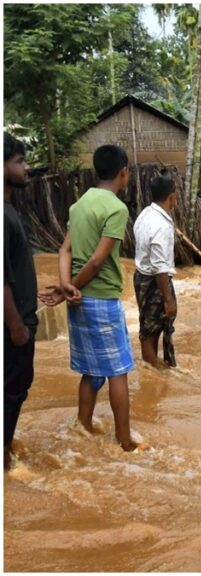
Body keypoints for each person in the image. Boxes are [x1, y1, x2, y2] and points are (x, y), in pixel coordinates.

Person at [57, 144, 137, 451]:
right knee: (118, 371)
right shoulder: (116, 208)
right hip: (101, 299)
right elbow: (96, 261)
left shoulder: (79, 205)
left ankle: (84, 428)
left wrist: (66, 287)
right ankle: (124, 441)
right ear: (123, 172)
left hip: (78, 302)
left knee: (90, 370)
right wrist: (72, 288)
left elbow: (64, 250)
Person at [4, 133, 62, 470]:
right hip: (13, 329)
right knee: (11, 393)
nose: (27, 168)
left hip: (19, 322)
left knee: (14, 391)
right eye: (20, 161)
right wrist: (16, 327)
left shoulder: (10, 210)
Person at [133, 173, 178, 368]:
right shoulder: (161, 224)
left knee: (149, 327)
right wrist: (168, 300)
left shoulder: (145, 215)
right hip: (155, 281)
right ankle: (153, 370)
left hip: (142, 277)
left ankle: (152, 368)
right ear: (171, 197)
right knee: (152, 330)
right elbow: (160, 267)